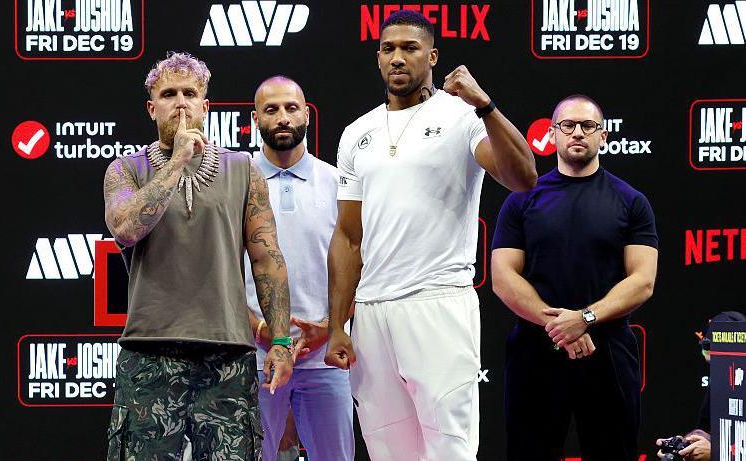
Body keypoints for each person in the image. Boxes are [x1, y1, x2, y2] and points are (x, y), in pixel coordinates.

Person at [324, 10, 537, 460]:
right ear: (378, 59)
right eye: (388, 48)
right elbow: (347, 237)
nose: (397, 57)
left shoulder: (463, 117)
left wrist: (485, 105)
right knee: (386, 450)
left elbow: (523, 177)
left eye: (410, 48)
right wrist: (338, 325)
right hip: (372, 311)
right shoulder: (356, 133)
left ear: (433, 56)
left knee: (450, 450)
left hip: (437, 300)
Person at [102, 51, 293, 460]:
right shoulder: (126, 169)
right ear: (152, 108)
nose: (181, 103)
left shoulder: (243, 169)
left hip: (227, 351)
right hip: (150, 351)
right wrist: (176, 163)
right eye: (169, 94)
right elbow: (125, 227)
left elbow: (266, 259)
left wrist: (279, 340)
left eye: (190, 93)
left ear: (206, 105)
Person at [491, 94, 659, 461]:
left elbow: (643, 280)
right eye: (567, 126)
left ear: (604, 136)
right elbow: (503, 277)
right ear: (553, 134)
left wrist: (584, 319)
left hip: (608, 349)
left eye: (588, 126)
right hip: (535, 351)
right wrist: (559, 327)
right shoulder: (522, 199)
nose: (577, 133)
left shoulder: (631, 201)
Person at [244, 76, 354, 461]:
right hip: (254, 356)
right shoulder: (237, 182)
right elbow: (218, 272)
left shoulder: (338, 182)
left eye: (291, 108)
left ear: (306, 114)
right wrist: (261, 330)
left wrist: (331, 327)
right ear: (255, 119)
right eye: (271, 110)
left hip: (325, 354)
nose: (283, 118)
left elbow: (360, 264)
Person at [655, 311, 746, 461]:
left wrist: (717, 452)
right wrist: (686, 444)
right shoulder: (720, 381)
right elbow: (704, 430)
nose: (718, 368)